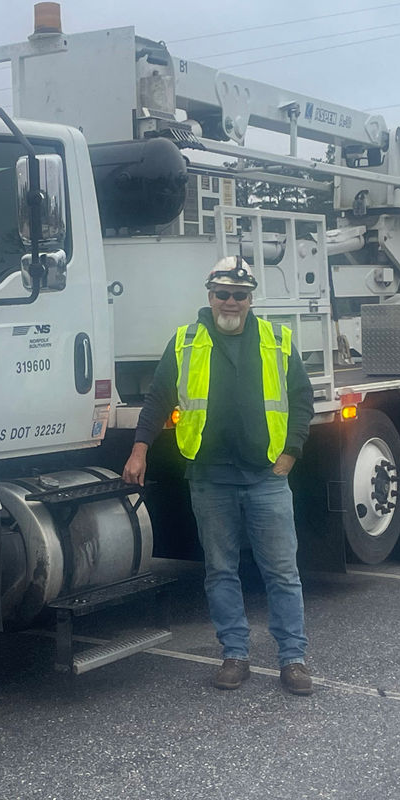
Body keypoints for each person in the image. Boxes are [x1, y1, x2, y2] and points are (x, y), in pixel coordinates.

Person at [122, 255, 315, 694]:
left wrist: (291, 453)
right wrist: (139, 449)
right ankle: (235, 654)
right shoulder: (185, 341)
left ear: (250, 299)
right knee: (221, 569)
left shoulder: (278, 340)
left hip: (266, 475)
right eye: (222, 293)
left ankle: (294, 659)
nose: (231, 301)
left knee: (282, 572)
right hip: (209, 476)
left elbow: (301, 400)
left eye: (239, 295)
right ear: (210, 296)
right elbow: (157, 399)